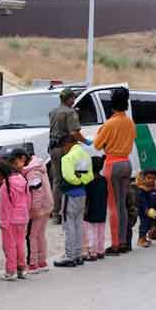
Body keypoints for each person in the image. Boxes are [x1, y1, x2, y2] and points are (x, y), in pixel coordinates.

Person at [94, 87, 136, 255]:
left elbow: (97, 145)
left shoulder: (109, 124)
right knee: (122, 205)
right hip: (127, 162)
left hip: (112, 164)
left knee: (113, 206)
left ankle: (115, 243)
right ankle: (124, 241)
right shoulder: (129, 122)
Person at [49, 88, 89, 225]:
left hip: (53, 149)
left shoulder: (53, 111)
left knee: (57, 180)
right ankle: (73, 211)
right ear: (70, 99)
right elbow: (74, 133)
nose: (74, 100)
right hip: (67, 149)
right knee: (73, 178)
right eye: (73, 98)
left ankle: (56, 214)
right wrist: (86, 141)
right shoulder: (70, 112)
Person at [54, 135, 94, 268]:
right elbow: (90, 176)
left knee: (68, 225)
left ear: (67, 145)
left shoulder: (67, 158)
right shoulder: (85, 155)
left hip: (70, 194)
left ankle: (69, 255)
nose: (62, 151)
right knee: (78, 224)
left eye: (62, 148)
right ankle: (78, 254)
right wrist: (81, 181)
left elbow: (69, 177)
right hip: (82, 193)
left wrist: (76, 181)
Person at [0, 160, 30, 282]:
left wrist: (3, 223)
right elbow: (28, 200)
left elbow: (5, 208)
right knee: (20, 244)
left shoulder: (5, 187)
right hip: (22, 218)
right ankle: (21, 268)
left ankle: (11, 271)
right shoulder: (23, 181)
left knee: (9, 246)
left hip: (9, 221)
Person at [21, 149, 53, 274]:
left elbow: (37, 193)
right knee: (40, 234)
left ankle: (33, 263)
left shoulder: (31, 173)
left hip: (38, 208)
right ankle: (42, 261)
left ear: (23, 158)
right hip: (47, 205)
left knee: (31, 236)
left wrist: (34, 210)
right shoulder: (39, 166)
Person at [84, 157, 108, 261]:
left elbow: (86, 196)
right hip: (102, 209)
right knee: (100, 231)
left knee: (91, 232)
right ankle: (100, 250)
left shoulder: (89, 181)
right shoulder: (104, 180)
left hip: (91, 209)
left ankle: (92, 252)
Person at [135, 169, 156, 248]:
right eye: (149, 178)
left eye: (153, 178)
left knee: (150, 224)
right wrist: (146, 210)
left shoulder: (155, 189)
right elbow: (142, 201)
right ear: (144, 178)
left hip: (152, 211)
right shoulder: (142, 190)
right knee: (144, 224)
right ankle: (141, 239)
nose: (151, 180)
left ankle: (145, 239)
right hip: (144, 211)